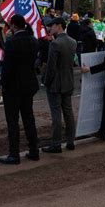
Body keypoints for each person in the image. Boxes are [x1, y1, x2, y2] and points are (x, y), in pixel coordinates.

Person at [0, 15, 40, 165]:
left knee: (13, 121)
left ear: (14, 26)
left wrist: (3, 83)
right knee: (29, 118)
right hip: (28, 84)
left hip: (13, 87)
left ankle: (14, 154)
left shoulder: (12, 43)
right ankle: (34, 149)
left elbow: (7, 68)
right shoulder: (33, 41)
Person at [42, 17, 77, 153]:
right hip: (68, 81)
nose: (50, 28)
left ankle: (56, 144)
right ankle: (70, 141)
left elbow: (51, 67)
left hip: (56, 84)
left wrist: (46, 81)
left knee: (56, 115)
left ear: (59, 26)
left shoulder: (55, 44)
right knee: (68, 113)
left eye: (52, 26)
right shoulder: (72, 42)